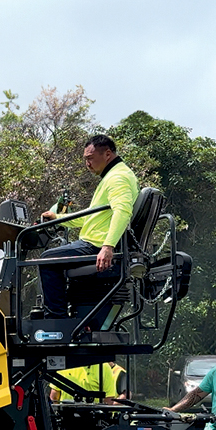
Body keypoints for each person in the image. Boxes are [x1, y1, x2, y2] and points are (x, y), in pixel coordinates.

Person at [38, 135, 139, 318]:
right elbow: (90, 218)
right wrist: (57, 218)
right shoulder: (114, 176)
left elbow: (123, 212)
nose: (88, 164)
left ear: (107, 154)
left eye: (90, 158)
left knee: (47, 260)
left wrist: (107, 247)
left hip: (96, 245)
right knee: (52, 259)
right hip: (97, 242)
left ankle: (55, 320)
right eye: (85, 159)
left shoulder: (117, 178)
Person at [49, 362, 119, 403]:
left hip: (66, 418)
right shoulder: (104, 366)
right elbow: (109, 399)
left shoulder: (65, 364)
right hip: (94, 419)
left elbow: (54, 397)